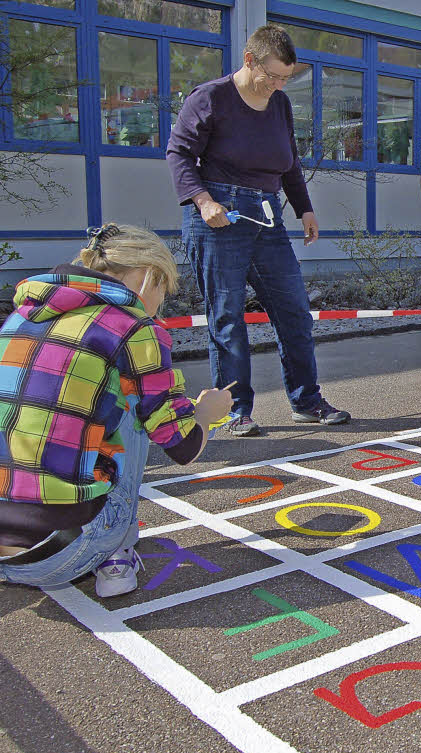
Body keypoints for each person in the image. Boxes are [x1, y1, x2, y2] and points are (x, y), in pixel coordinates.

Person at [0, 225, 233, 597]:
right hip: (59, 553)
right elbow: (182, 447)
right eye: (163, 289)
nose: (160, 301)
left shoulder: (20, 319)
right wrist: (206, 413)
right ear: (148, 276)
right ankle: (116, 555)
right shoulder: (133, 328)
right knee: (132, 402)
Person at [168, 27, 349, 439]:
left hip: (268, 219)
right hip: (219, 218)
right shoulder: (210, 98)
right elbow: (178, 152)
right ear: (249, 59)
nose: (278, 85)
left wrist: (305, 208)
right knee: (228, 319)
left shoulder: (279, 104)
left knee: (295, 312)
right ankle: (234, 410)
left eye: (286, 77)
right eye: (272, 76)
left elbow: (289, 165)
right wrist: (202, 199)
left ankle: (306, 400)